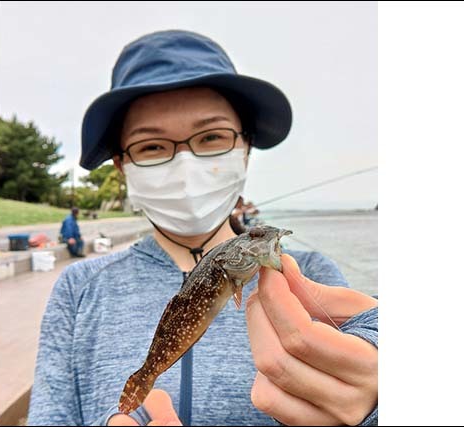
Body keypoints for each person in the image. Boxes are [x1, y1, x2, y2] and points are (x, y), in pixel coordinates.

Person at [29, 30, 378, 426]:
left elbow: (372, 341)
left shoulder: (316, 275)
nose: (185, 164)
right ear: (122, 165)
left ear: (245, 148)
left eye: (212, 137)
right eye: (152, 146)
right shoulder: (78, 290)